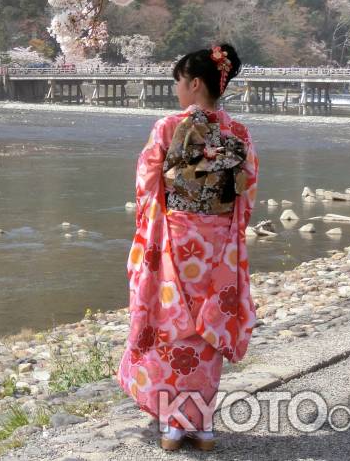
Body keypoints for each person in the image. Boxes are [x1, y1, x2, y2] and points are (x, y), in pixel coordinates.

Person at [117, 43, 258, 452]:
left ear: (195, 83)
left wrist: (151, 225)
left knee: (171, 323)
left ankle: (174, 425)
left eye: (179, 81)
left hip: (176, 239)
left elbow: (147, 183)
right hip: (217, 245)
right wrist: (230, 229)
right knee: (208, 325)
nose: (177, 90)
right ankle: (203, 425)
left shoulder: (167, 127)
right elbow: (246, 189)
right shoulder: (238, 133)